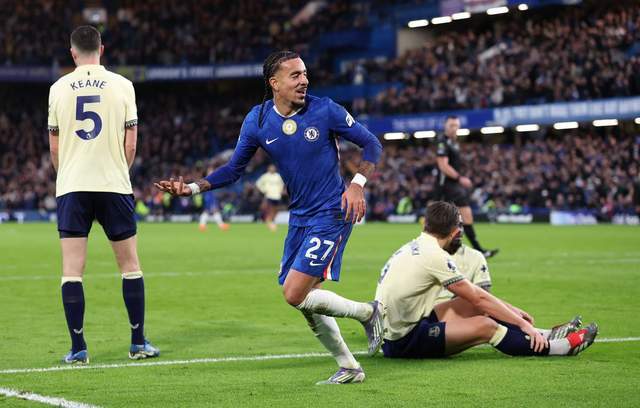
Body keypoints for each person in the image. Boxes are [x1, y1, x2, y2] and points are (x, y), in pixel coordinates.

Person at [155, 51, 384, 384]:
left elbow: (371, 144)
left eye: (305, 74)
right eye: (295, 75)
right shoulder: (258, 119)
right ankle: (349, 366)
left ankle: (367, 312)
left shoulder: (325, 110)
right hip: (299, 217)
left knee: (294, 293)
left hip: (332, 212)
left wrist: (357, 185)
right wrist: (191, 188)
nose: (304, 80)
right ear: (274, 83)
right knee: (305, 299)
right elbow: (233, 169)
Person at [47, 26, 159, 364]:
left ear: (72, 53)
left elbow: (54, 147)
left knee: (72, 270)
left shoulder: (57, 88)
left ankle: (78, 349)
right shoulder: (123, 85)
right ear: (102, 49)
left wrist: (66, 174)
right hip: (113, 184)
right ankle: (137, 343)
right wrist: (118, 169)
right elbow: (131, 143)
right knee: (130, 265)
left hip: (72, 186)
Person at [375, 201, 598, 360]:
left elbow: (475, 297)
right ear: (454, 232)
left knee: (471, 304)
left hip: (400, 327)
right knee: (487, 327)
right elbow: (479, 298)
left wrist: (513, 311)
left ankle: (544, 334)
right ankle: (559, 348)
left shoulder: (415, 246)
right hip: (403, 341)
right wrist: (521, 324)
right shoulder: (435, 256)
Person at [434, 244, 583, 340]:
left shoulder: (471, 255)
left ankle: (543, 335)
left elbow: (482, 296)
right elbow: (479, 299)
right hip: (432, 323)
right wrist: (517, 318)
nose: (460, 231)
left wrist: (510, 309)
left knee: (484, 308)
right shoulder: (432, 256)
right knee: (483, 312)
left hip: (443, 315)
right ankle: (545, 337)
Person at [435, 116, 498, 258]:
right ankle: (473, 250)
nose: (454, 128)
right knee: (450, 219)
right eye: (451, 125)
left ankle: (472, 249)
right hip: (446, 186)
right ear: (445, 126)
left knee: (460, 217)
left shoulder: (454, 144)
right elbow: (443, 166)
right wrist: (460, 178)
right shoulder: (443, 143)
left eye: (456, 125)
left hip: (453, 185)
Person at [256, 164, 285, 231]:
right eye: (271, 168)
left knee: (276, 210)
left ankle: (271, 221)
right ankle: (269, 222)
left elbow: (282, 184)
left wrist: (280, 190)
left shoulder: (278, 176)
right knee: (270, 210)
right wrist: (264, 190)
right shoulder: (265, 176)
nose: (272, 169)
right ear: (268, 169)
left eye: (273, 168)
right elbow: (258, 184)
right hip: (269, 195)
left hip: (277, 196)